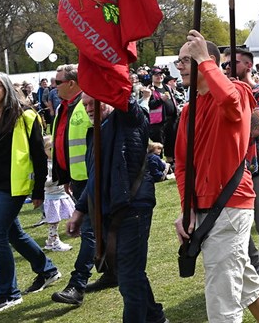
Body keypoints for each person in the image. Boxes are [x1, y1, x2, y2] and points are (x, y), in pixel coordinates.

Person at [173, 31, 259, 323]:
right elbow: (182, 165)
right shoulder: (187, 111)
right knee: (244, 282)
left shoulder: (239, 92)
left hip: (231, 204)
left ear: (206, 61)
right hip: (204, 208)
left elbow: (231, 103)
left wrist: (205, 61)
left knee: (222, 295)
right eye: (178, 61)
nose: (179, 66)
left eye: (185, 59)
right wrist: (187, 208)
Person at [62, 95, 167, 322]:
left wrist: (106, 80)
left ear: (108, 100)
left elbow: (123, 97)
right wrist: (80, 211)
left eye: (93, 103)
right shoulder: (98, 131)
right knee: (128, 271)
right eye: (85, 104)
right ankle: (155, 318)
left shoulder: (129, 118)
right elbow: (95, 178)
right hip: (112, 209)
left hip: (132, 208)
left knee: (129, 275)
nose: (89, 109)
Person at [0, 71, 59, 313]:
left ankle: (8, 293)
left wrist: (39, 189)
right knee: (13, 234)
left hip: (13, 185)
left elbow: (40, 157)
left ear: (6, 88)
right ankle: (47, 269)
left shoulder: (26, 116)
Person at [224, 50, 259, 296]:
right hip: (237, 171)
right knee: (240, 226)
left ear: (248, 65)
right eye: (225, 62)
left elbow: (255, 128)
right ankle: (256, 267)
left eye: (233, 62)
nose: (227, 66)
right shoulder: (228, 93)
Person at [48, 64, 107, 300]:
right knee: (98, 230)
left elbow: (100, 144)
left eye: (57, 82)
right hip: (77, 180)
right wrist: (65, 177)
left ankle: (77, 284)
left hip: (89, 180)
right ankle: (112, 273)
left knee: (90, 232)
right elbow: (63, 143)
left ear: (72, 83)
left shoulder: (86, 107)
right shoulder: (66, 107)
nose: (54, 86)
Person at [41, 136, 73, 252]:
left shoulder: (55, 162)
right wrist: (56, 178)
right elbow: (44, 182)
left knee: (56, 221)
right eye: (50, 149)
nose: (53, 152)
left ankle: (51, 241)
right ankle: (54, 242)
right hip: (52, 198)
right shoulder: (46, 165)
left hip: (60, 195)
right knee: (53, 222)